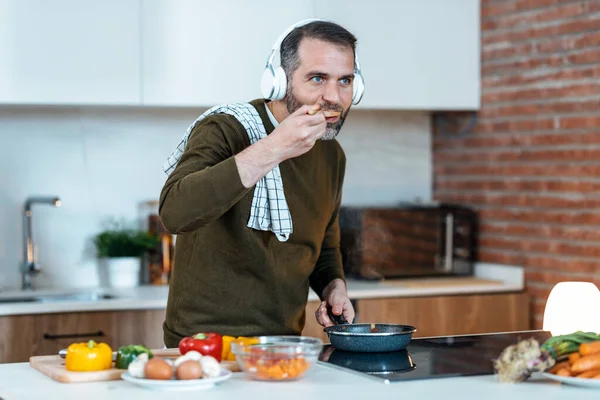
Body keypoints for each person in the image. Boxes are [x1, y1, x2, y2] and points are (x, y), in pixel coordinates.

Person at [158, 19, 365, 348]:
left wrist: (333, 287)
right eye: (317, 78)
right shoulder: (225, 127)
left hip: (280, 345)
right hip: (202, 344)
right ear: (279, 82)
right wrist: (274, 148)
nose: (333, 97)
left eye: (345, 81)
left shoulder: (331, 154)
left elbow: (323, 246)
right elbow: (175, 212)